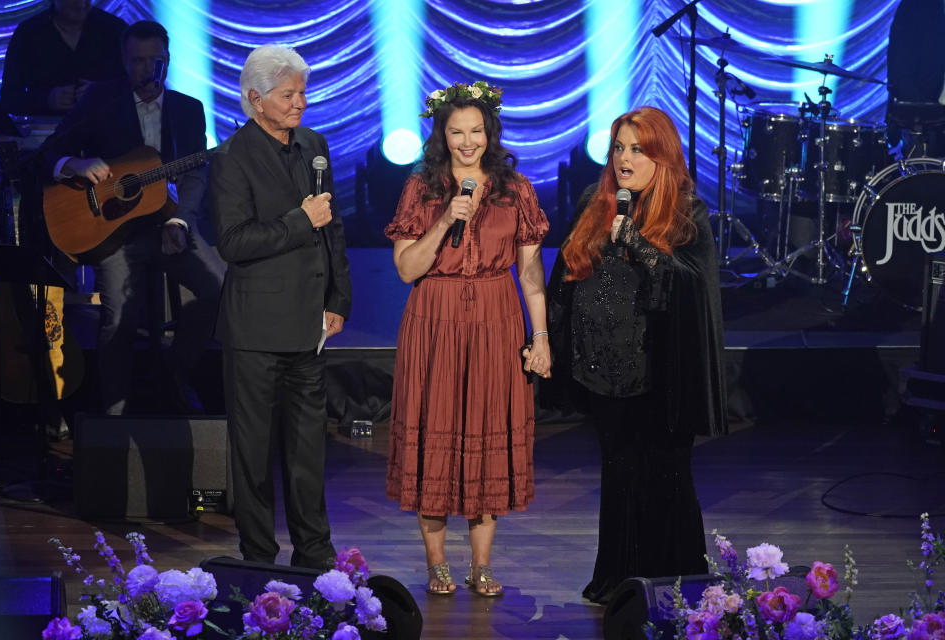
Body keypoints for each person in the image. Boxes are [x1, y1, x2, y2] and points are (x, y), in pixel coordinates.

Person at [544, 106, 726, 605]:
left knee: (664, 477)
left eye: (637, 149)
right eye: (619, 148)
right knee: (619, 476)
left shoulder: (688, 210)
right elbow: (566, 274)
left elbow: (691, 286)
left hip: (660, 371)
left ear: (661, 156)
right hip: (605, 368)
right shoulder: (595, 201)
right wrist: (546, 339)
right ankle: (619, 582)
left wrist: (639, 244)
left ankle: (675, 584)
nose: (624, 159)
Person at [384, 82, 551, 596]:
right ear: (442, 134)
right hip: (435, 319)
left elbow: (529, 274)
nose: (467, 142)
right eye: (457, 132)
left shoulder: (514, 189)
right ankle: (437, 564)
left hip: (498, 320)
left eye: (476, 131)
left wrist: (540, 335)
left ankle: (481, 566)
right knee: (434, 436)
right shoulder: (422, 189)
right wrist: (444, 221)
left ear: (490, 132)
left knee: (488, 435)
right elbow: (407, 270)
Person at [209, 45, 351, 568]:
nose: (300, 103)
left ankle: (315, 554)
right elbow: (233, 242)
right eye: (288, 95)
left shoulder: (314, 145)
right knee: (252, 452)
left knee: (308, 450)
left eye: (302, 93)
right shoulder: (230, 158)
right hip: (254, 331)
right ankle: (258, 556)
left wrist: (339, 298)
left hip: (309, 324)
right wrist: (299, 219)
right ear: (255, 99)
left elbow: (333, 226)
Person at [40, 20, 224, 415]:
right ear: (125, 62)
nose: (146, 69)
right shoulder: (101, 102)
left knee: (217, 288)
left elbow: (194, 174)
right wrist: (76, 163)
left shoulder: (188, 110)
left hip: (170, 222)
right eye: (137, 61)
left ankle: (174, 371)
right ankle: (113, 417)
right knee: (118, 320)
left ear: (167, 60)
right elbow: (49, 153)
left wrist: (179, 222)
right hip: (114, 230)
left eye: (154, 60)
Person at [1, 0, 127, 116]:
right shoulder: (28, 33)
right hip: (47, 135)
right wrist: (47, 100)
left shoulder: (114, 29)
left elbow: (137, 86)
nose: (81, 4)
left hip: (107, 131)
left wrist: (103, 93)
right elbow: (9, 99)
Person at [885, 0, 945, 157]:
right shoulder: (916, 7)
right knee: (924, 174)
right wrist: (925, 115)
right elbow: (900, 74)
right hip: (925, 119)